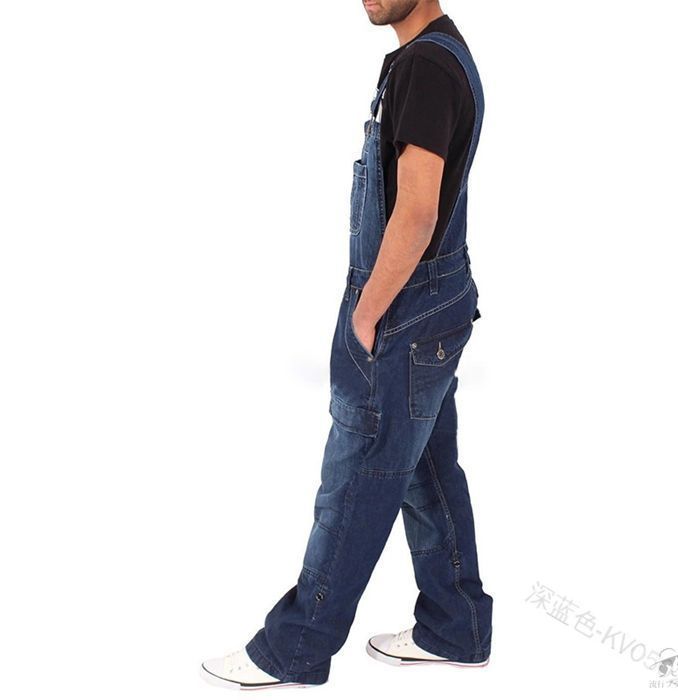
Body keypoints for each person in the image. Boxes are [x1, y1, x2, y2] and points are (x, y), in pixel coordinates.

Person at [201, 0, 493, 689]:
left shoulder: (426, 66)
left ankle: (296, 647)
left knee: (357, 477)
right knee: (426, 470)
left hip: (402, 312)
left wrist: (366, 316)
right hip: (437, 303)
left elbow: (416, 212)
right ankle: (456, 626)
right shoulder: (441, 53)